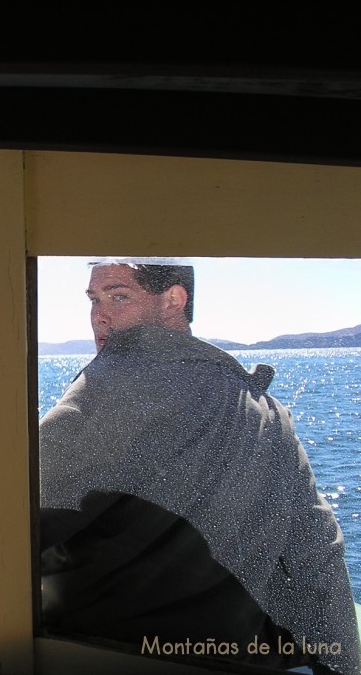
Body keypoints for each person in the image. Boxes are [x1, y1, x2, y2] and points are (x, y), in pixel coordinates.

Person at [38, 259, 359, 674]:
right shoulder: (269, 413)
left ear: (174, 299)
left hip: (102, 654)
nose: (100, 314)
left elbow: (17, 510)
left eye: (119, 296)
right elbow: (317, 554)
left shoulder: (112, 381)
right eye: (94, 299)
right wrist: (342, 667)